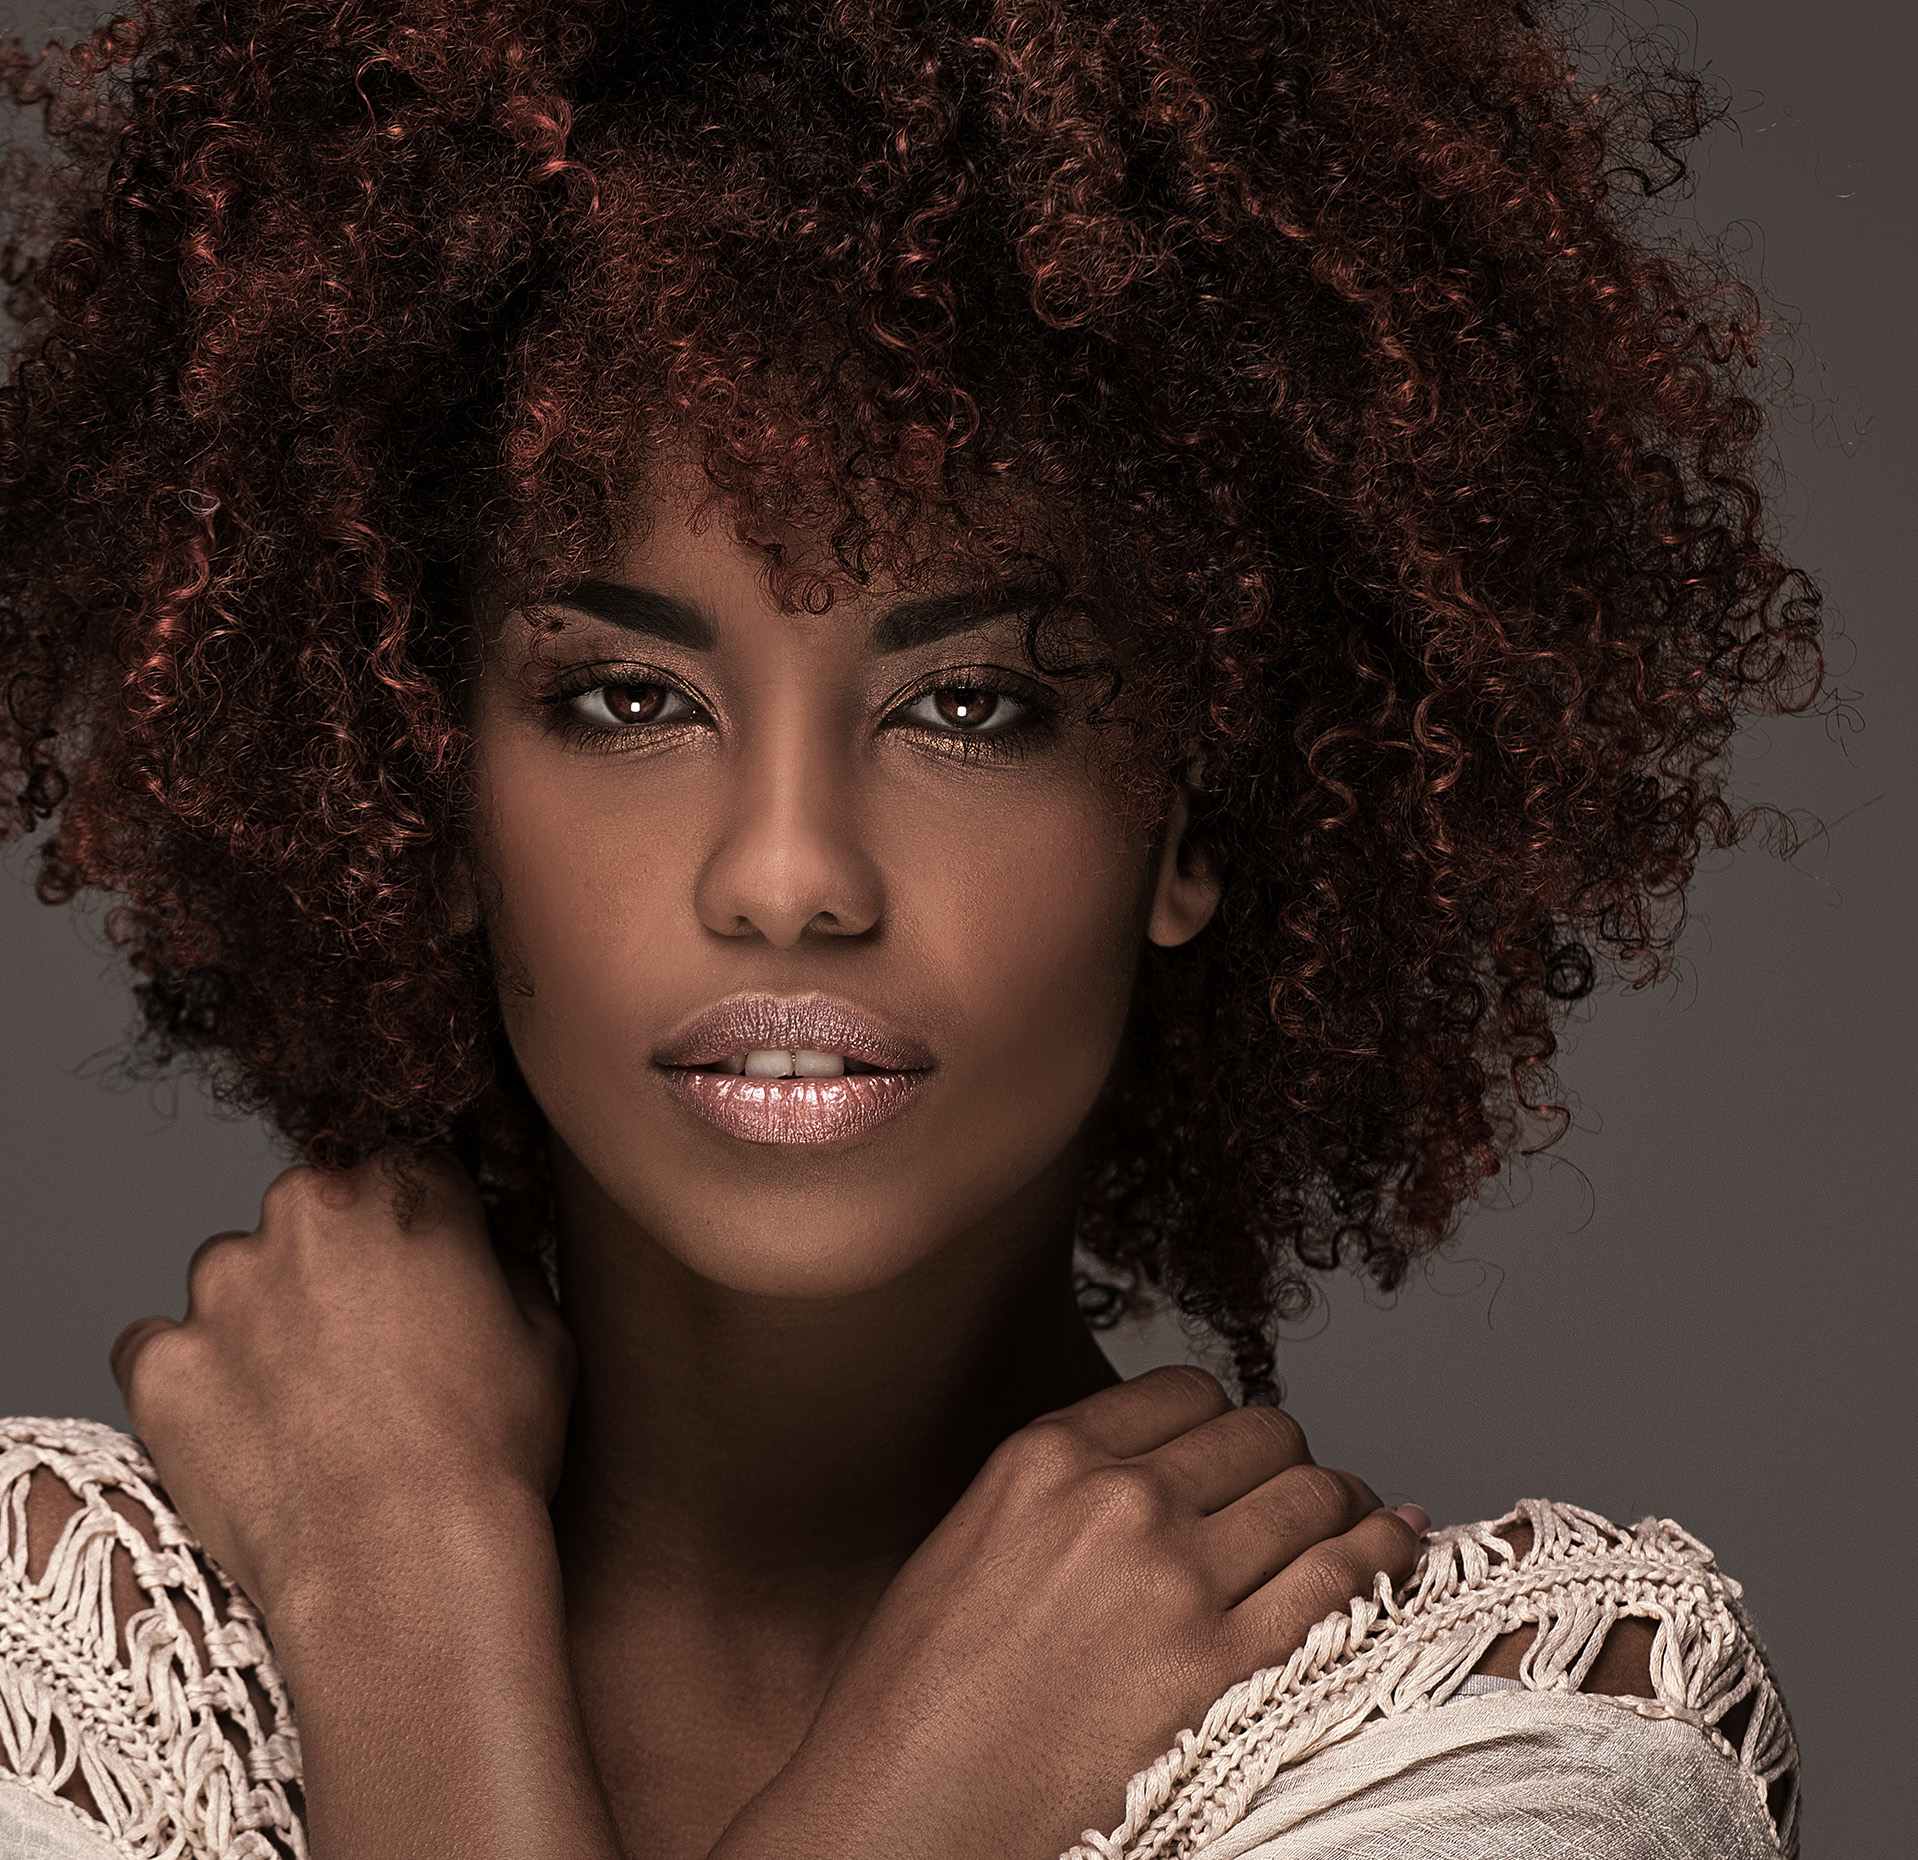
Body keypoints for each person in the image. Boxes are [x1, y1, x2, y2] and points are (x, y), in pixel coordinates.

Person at [0, 1, 1813, 1855]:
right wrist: (403, 1576)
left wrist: (405, 1608)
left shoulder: (1511, 1742)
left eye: (971, 705)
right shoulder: (55, 1659)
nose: (788, 876)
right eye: (628, 700)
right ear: (424, 782)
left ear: (1185, 818)